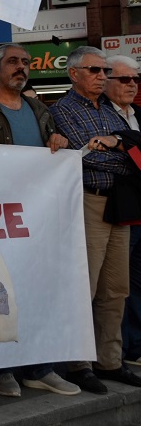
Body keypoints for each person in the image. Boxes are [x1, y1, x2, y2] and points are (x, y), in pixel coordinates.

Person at [0, 43, 78, 398]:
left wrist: (57, 140)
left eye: (26, 62)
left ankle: (38, 368)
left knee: (35, 287)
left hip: (34, 216)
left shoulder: (39, 109)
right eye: (13, 62)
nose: (21, 67)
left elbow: (52, 146)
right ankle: (0, 369)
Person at [51, 46, 141, 394]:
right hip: (88, 201)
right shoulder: (62, 110)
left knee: (116, 288)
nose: (103, 76)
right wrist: (124, 154)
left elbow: (134, 150)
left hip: (119, 203)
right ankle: (79, 364)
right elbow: (82, 157)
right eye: (95, 70)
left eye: (105, 71)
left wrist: (116, 147)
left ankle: (110, 360)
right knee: (84, 287)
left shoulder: (110, 110)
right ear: (74, 74)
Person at [104, 56, 141, 367]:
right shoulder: (102, 114)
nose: (132, 85)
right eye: (124, 79)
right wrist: (124, 145)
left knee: (137, 283)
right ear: (107, 81)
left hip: (138, 207)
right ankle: (123, 349)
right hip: (117, 209)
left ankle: (136, 347)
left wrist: (123, 143)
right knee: (119, 285)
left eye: (135, 79)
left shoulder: (138, 115)